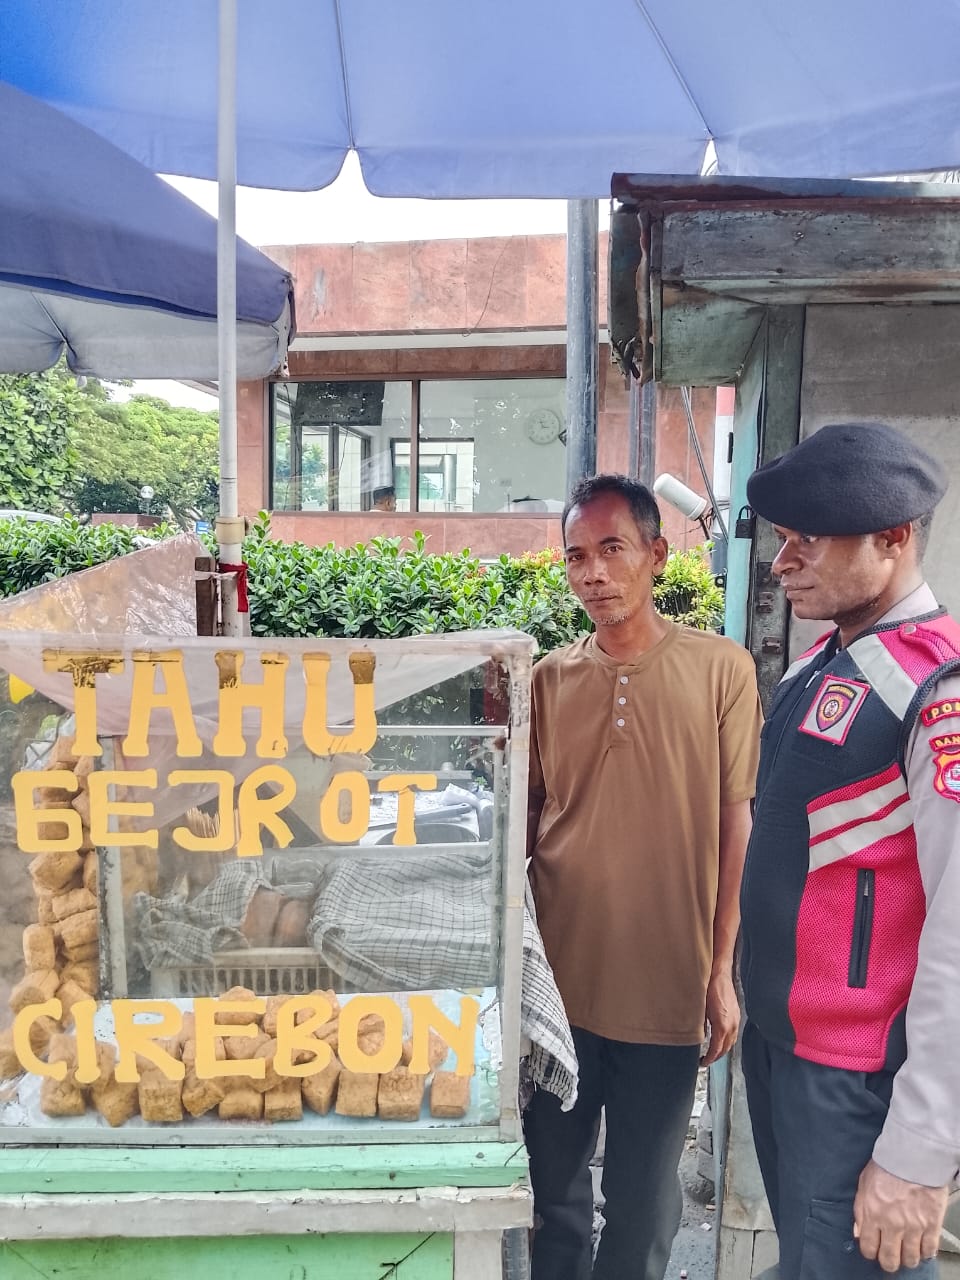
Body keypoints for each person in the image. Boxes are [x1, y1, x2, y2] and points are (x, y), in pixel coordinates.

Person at [524, 473, 762, 1280]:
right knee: (552, 1191)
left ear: (657, 555)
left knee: (643, 1201)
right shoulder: (548, 679)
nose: (592, 573)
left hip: (666, 980)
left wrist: (720, 970)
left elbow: (736, 823)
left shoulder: (722, 669)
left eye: (611, 549)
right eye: (575, 556)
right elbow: (526, 822)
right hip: (557, 987)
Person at [740, 422, 960, 1279]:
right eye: (782, 538)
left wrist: (920, 1150)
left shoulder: (934, 691)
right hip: (788, 1053)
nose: (782, 562)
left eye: (808, 539)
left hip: (859, 1079)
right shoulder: (829, 665)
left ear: (893, 538)